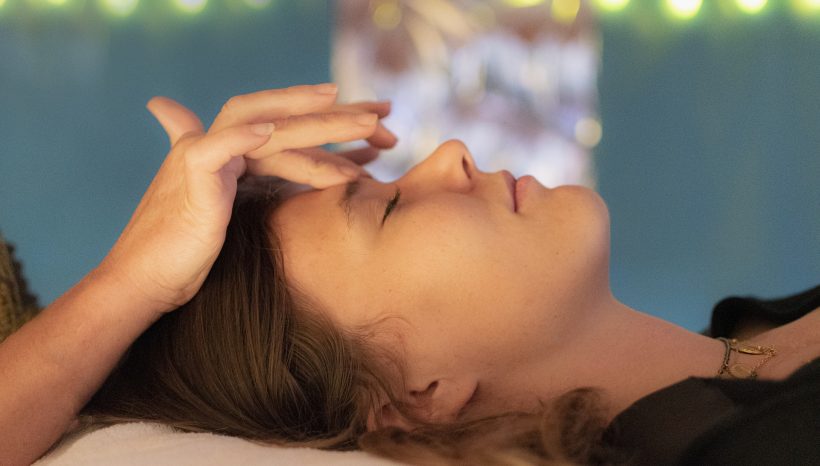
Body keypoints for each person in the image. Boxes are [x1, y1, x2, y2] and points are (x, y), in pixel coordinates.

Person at [1, 84, 818, 466]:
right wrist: (130, 283)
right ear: (415, 398)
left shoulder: (752, 335)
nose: (449, 155)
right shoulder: (766, 445)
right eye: (388, 210)